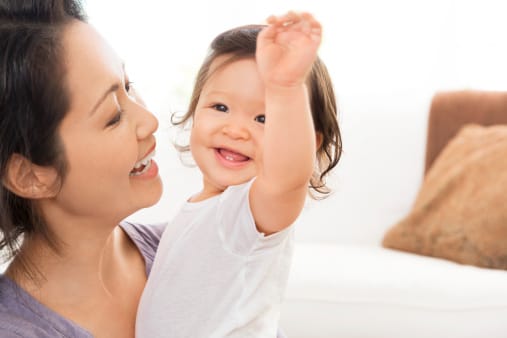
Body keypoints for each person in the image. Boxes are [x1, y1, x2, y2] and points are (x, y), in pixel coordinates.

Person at [136, 12, 342, 338]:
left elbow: (286, 178)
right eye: (220, 107)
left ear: (308, 143)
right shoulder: (203, 208)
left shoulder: (247, 212)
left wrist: (285, 87)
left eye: (263, 118)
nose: (236, 130)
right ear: (194, 109)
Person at [0, 0, 164, 337]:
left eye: (129, 86)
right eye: (113, 116)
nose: (149, 121)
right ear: (31, 175)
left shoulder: (189, 251)